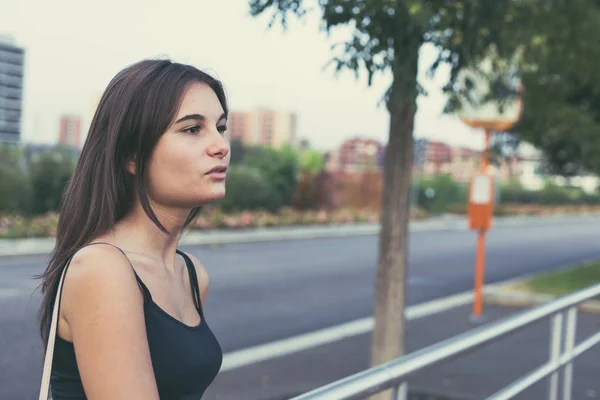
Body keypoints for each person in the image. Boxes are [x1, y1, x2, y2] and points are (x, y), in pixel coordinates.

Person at [36, 59, 230, 400]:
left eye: (221, 127)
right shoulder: (102, 269)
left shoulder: (192, 274)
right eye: (192, 129)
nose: (221, 145)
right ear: (133, 156)